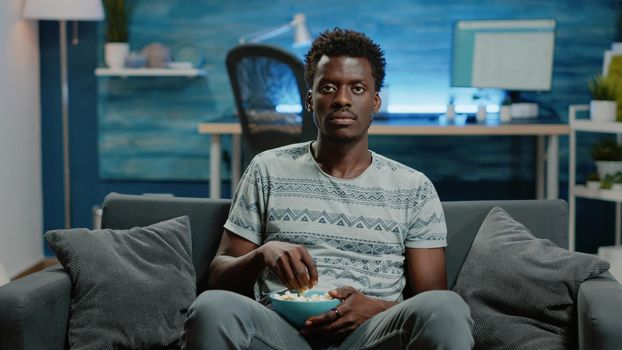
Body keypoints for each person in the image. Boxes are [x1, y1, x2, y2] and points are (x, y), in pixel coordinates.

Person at [181, 28, 474, 350]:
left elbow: (431, 299)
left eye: (357, 88)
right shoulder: (268, 169)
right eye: (328, 88)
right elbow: (218, 277)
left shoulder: (413, 188)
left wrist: (374, 308)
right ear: (310, 100)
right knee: (212, 307)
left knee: (448, 307)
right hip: (280, 331)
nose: (342, 100)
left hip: (373, 333)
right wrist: (263, 255)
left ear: (375, 101)